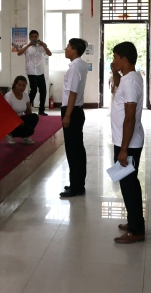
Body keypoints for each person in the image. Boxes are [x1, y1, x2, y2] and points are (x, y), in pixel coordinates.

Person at [110, 41, 146, 244]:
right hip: (125, 140)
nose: (113, 60)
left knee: (130, 185)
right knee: (127, 184)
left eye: (115, 57)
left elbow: (130, 118)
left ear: (124, 59)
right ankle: (134, 220)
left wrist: (123, 149)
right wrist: (115, 72)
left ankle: (136, 230)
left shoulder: (131, 82)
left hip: (128, 143)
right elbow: (118, 88)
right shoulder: (128, 78)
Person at [59, 38, 89, 198]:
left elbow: (72, 93)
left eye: (68, 47)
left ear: (75, 51)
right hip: (77, 110)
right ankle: (78, 184)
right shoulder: (81, 65)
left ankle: (75, 187)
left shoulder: (74, 68)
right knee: (78, 149)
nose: (66, 49)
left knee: (73, 151)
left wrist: (67, 115)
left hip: (72, 111)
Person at [17, 30, 52, 115]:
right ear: (29, 38)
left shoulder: (41, 47)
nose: (34, 38)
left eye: (35, 37)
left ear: (38, 37)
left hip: (40, 71)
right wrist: (29, 45)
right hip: (31, 71)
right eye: (32, 37)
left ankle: (41, 110)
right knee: (34, 90)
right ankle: (27, 107)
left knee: (43, 90)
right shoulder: (26, 46)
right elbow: (19, 53)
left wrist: (43, 45)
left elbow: (49, 53)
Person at [4, 76, 38, 145]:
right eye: (19, 85)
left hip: (20, 118)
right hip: (11, 121)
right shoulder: (8, 96)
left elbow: (28, 111)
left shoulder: (25, 95)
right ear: (15, 85)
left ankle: (25, 137)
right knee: (30, 131)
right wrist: (18, 122)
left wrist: (30, 121)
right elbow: (6, 114)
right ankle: (10, 134)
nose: (21, 87)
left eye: (23, 85)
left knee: (34, 117)